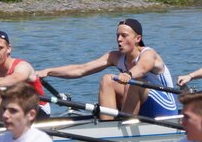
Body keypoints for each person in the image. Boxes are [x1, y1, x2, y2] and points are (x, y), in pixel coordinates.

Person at [37, 18, 178, 120]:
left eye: (124, 35)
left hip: (165, 111)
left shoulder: (148, 53)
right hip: (141, 106)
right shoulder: (115, 57)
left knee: (135, 80)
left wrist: (129, 74)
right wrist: (48, 71)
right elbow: (81, 69)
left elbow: (142, 67)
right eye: (117, 35)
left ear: (137, 38)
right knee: (107, 79)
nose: (119, 39)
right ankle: (107, 125)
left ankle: (125, 123)